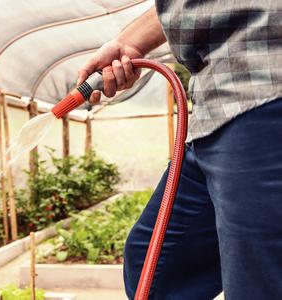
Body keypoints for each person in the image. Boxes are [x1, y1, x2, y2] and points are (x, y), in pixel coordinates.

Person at [77, 2, 282, 300]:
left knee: (258, 285)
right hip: (213, 109)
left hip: (262, 84)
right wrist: (128, 42)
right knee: (154, 267)